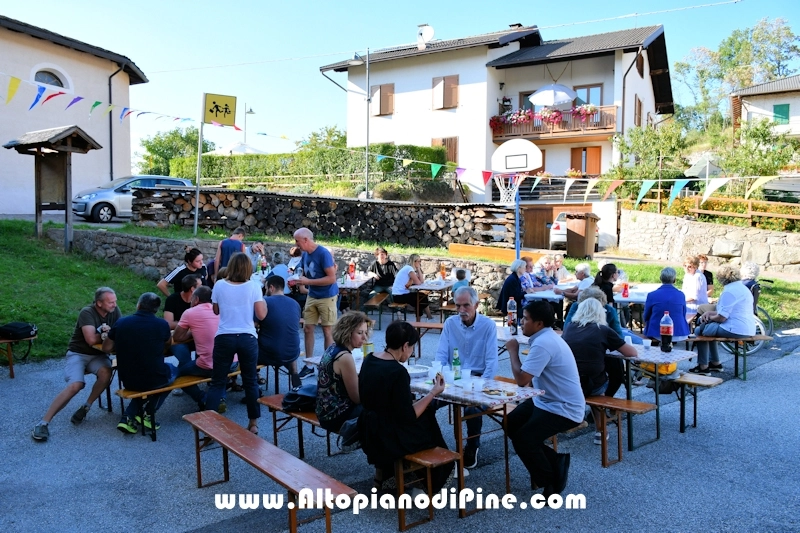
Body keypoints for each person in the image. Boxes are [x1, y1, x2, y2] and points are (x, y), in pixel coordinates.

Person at [359, 321, 453, 492]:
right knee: (428, 419)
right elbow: (408, 416)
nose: (411, 352)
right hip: (388, 435)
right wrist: (433, 393)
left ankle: (390, 475)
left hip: (368, 428)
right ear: (405, 346)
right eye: (412, 347)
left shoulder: (369, 359)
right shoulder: (398, 372)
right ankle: (434, 474)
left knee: (426, 412)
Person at [504, 301, 584, 498]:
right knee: (510, 423)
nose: (521, 322)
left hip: (564, 407)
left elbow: (522, 380)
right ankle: (556, 461)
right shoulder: (544, 338)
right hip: (544, 400)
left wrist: (513, 351)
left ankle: (551, 481)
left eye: (525, 319)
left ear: (539, 323)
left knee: (524, 439)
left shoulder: (544, 343)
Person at [32, 287, 121, 442]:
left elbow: (120, 331)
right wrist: (106, 334)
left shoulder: (115, 311)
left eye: (115, 301)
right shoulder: (87, 313)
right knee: (76, 385)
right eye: (110, 302)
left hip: (99, 355)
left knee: (106, 373)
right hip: (78, 354)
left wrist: (109, 334)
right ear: (99, 303)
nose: (114, 305)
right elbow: (91, 339)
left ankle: (86, 406)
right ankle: (43, 423)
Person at [435, 287, 498, 469]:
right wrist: (443, 376)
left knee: (472, 409)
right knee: (427, 402)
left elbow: (492, 362)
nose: (461, 310)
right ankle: (433, 443)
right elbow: (441, 355)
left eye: (466, 305)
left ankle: (472, 446)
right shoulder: (450, 323)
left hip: (478, 379)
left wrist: (482, 386)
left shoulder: (488, 326)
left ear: (476, 305)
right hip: (453, 378)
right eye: (458, 306)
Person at [206, 252, 267, 434]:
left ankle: (208, 425)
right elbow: (261, 314)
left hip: (225, 335)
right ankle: (253, 423)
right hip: (247, 336)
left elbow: (216, 311)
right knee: (250, 380)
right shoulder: (254, 286)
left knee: (218, 381)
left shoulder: (219, 284)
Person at [561, 298, 636, 444]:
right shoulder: (603, 330)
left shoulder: (569, 327)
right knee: (599, 382)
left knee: (590, 376)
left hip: (569, 382)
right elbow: (631, 352)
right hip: (590, 384)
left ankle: (597, 428)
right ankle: (601, 431)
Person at [103, 293, 175, 433]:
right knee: (174, 372)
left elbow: (106, 348)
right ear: (156, 309)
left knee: (149, 380)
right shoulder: (162, 324)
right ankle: (148, 413)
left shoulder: (121, 323)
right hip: (154, 378)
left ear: (138, 305)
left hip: (128, 379)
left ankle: (128, 416)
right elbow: (168, 344)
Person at [172, 286, 238, 410]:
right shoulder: (222, 309)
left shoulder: (190, 312)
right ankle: (220, 398)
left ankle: (203, 398)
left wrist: (192, 331)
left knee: (177, 373)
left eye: (192, 298)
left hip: (210, 365)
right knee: (220, 365)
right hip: (233, 362)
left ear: (196, 299)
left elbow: (177, 337)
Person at [691, 265, 755, 374]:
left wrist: (709, 318)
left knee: (699, 330)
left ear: (721, 278)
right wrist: (709, 313)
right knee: (709, 330)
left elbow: (721, 318)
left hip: (735, 328)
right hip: (747, 327)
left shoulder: (729, 291)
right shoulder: (742, 288)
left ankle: (703, 367)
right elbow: (729, 312)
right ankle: (715, 363)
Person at [294, 228, 339, 380]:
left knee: (327, 330)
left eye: (297, 241)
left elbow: (331, 278)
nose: (296, 244)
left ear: (306, 240)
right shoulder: (305, 253)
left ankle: (327, 366)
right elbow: (302, 268)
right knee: (307, 328)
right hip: (312, 295)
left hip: (327, 295)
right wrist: (296, 275)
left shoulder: (323, 253)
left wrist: (308, 282)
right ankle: (309, 366)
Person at [316, 311, 370, 433]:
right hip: (335, 416)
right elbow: (357, 398)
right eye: (359, 333)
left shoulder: (332, 347)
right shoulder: (345, 357)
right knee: (382, 409)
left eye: (366, 333)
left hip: (324, 411)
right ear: (347, 332)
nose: (364, 338)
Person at [258, 275, 303, 390]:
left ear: (271, 287)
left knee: (248, 348)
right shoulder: (295, 304)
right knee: (288, 337)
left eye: (266, 288)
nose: (265, 290)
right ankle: (295, 376)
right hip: (292, 352)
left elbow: (254, 324)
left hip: (269, 353)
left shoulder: (265, 302)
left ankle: (254, 385)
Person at [643, 267, 690, 343]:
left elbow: (646, 315)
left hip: (657, 332)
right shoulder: (681, 295)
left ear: (661, 278)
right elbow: (683, 313)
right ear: (674, 280)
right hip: (679, 331)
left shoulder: (652, 295)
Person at [391, 254, 434, 320]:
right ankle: (420, 321)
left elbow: (421, 281)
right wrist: (418, 269)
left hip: (399, 294)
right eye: (419, 261)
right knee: (420, 299)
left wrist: (418, 269)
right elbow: (419, 282)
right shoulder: (409, 269)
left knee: (422, 296)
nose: (420, 263)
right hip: (399, 296)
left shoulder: (408, 268)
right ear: (414, 261)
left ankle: (428, 317)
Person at [682, 255, 708, 320]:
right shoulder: (687, 275)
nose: (686, 268)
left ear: (695, 267)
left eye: (689, 266)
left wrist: (680, 300)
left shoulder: (697, 277)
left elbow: (694, 297)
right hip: (688, 307)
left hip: (696, 309)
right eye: (685, 266)